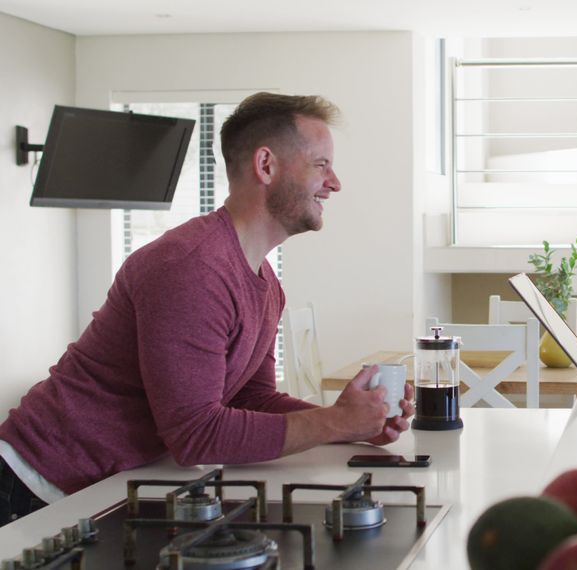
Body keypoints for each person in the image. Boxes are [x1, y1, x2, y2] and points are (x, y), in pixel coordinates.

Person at [0, 93, 414, 524]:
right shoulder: (190, 267)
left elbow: (251, 397)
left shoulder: (266, 283)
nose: (335, 183)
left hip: (101, 488)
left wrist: (348, 423)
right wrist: (337, 424)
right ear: (266, 165)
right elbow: (196, 435)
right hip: (33, 487)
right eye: (320, 165)